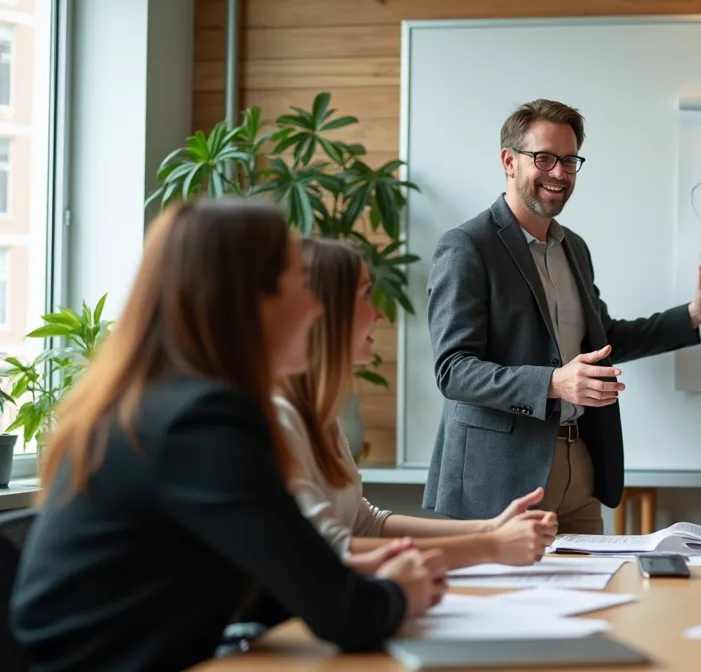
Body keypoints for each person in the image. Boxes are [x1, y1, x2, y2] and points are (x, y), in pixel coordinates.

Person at [10, 200, 444, 672]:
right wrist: (401, 589)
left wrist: (350, 576)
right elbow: (345, 616)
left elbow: (268, 571)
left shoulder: (157, 403)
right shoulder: (200, 422)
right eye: (302, 282)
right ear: (248, 299)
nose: (318, 306)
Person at [423, 99, 701, 533]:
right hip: (500, 477)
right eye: (543, 158)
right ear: (509, 161)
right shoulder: (467, 246)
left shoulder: (574, 248)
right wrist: (553, 383)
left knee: (596, 579)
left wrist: (694, 315)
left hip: (578, 465)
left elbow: (603, 341)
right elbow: (453, 371)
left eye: (569, 160)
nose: (559, 173)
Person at [278, 237, 557, 568]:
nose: (379, 314)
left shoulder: (322, 417)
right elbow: (323, 551)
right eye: (366, 295)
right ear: (325, 308)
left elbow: (364, 524)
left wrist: (489, 528)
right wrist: (491, 546)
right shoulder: (280, 420)